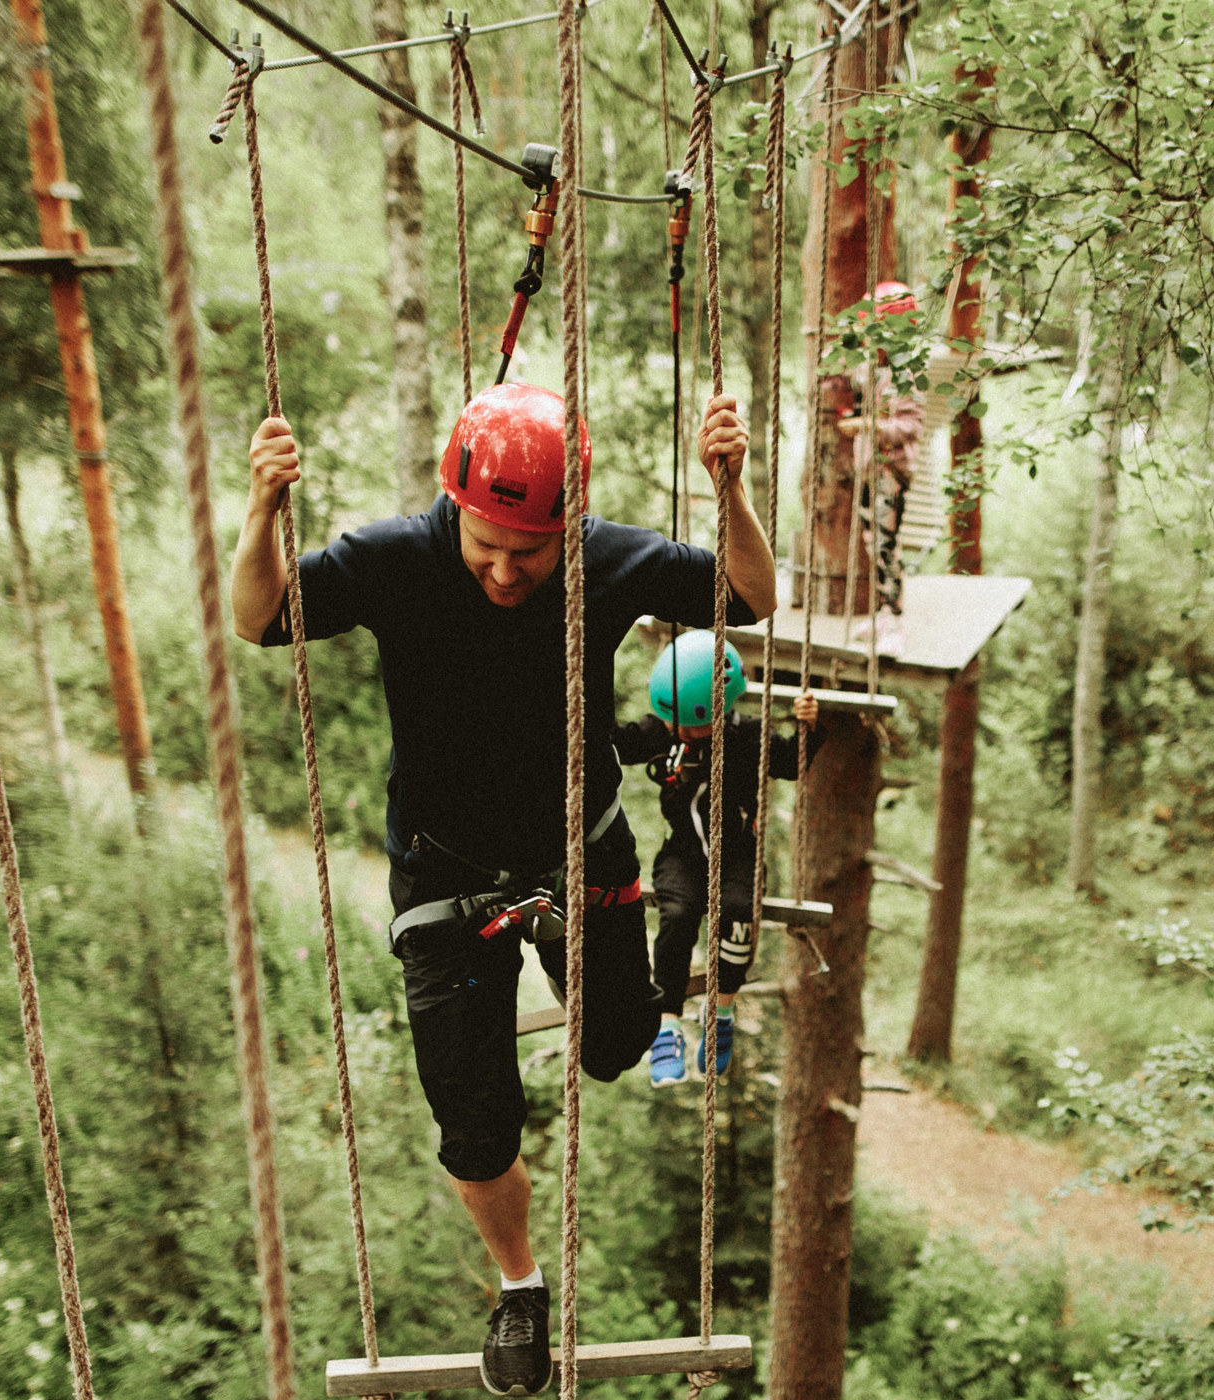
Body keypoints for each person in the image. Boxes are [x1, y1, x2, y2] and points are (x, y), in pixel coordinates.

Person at [230, 381, 776, 1397]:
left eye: (529, 551)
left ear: (567, 524)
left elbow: (749, 597)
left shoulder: (601, 559)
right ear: (455, 511)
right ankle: (519, 1286)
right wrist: (262, 510)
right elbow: (258, 617)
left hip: (584, 850)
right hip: (443, 873)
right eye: (487, 544)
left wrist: (731, 489)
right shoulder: (394, 560)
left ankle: (610, 987)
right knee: (473, 1119)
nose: (506, 569)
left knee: (616, 1045)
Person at [613, 631, 823, 1085]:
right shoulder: (662, 732)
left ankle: (721, 1012)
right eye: (676, 722)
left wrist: (808, 726)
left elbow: (790, 762)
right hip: (682, 856)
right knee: (679, 916)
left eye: (694, 724)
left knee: (736, 916)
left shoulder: (748, 735)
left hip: (739, 855)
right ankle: (667, 1025)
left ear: (723, 709)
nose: (683, 732)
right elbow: (616, 743)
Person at [835, 279, 925, 655]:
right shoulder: (877, 370)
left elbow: (912, 427)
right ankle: (884, 613)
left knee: (887, 544)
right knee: (874, 542)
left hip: (891, 470)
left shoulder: (905, 375)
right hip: (871, 468)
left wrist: (868, 426)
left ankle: (896, 620)